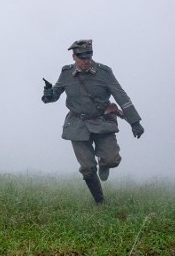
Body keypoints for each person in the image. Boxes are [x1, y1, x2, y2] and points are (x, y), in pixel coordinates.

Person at [41, 40, 144, 203]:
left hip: (102, 121)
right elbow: (54, 96)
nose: (86, 61)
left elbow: (121, 97)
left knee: (112, 160)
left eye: (89, 56)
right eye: (82, 57)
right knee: (87, 168)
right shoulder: (66, 73)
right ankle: (100, 202)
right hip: (77, 125)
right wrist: (48, 94)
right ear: (74, 57)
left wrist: (135, 122)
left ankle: (104, 164)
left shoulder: (104, 72)